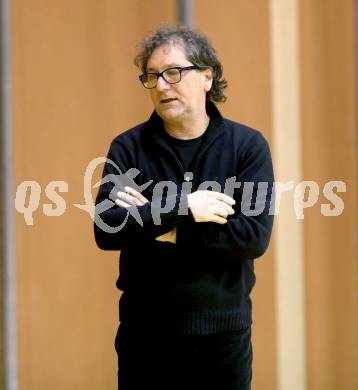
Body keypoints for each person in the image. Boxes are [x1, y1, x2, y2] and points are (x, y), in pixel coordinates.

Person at [94, 25, 274, 390]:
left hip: (224, 337)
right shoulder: (129, 148)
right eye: (151, 76)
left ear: (207, 77)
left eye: (173, 72)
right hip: (146, 337)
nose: (161, 85)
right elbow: (108, 228)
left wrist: (165, 227)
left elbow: (252, 237)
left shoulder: (247, 147)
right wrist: (185, 203)